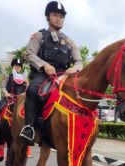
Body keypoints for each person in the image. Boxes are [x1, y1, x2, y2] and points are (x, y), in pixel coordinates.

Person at [19, 1, 83, 145]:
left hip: (63, 75)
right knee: (33, 90)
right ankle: (29, 128)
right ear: (48, 17)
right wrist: (44, 65)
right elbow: (29, 54)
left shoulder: (69, 42)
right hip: (43, 75)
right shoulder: (38, 36)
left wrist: (75, 68)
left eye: (61, 16)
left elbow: (79, 61)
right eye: (55, 15)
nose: (58, 18)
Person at [0, 58, 28, 133]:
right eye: (16, 65)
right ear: (13, 66)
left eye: (19, 66)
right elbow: (3, 87)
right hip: (9, 97)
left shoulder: (24, 78)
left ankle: (30, 130)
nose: (17, 67)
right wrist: (6, 93)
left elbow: (28, 88)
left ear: (21, 67)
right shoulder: (7, 76)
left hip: (21, 99)